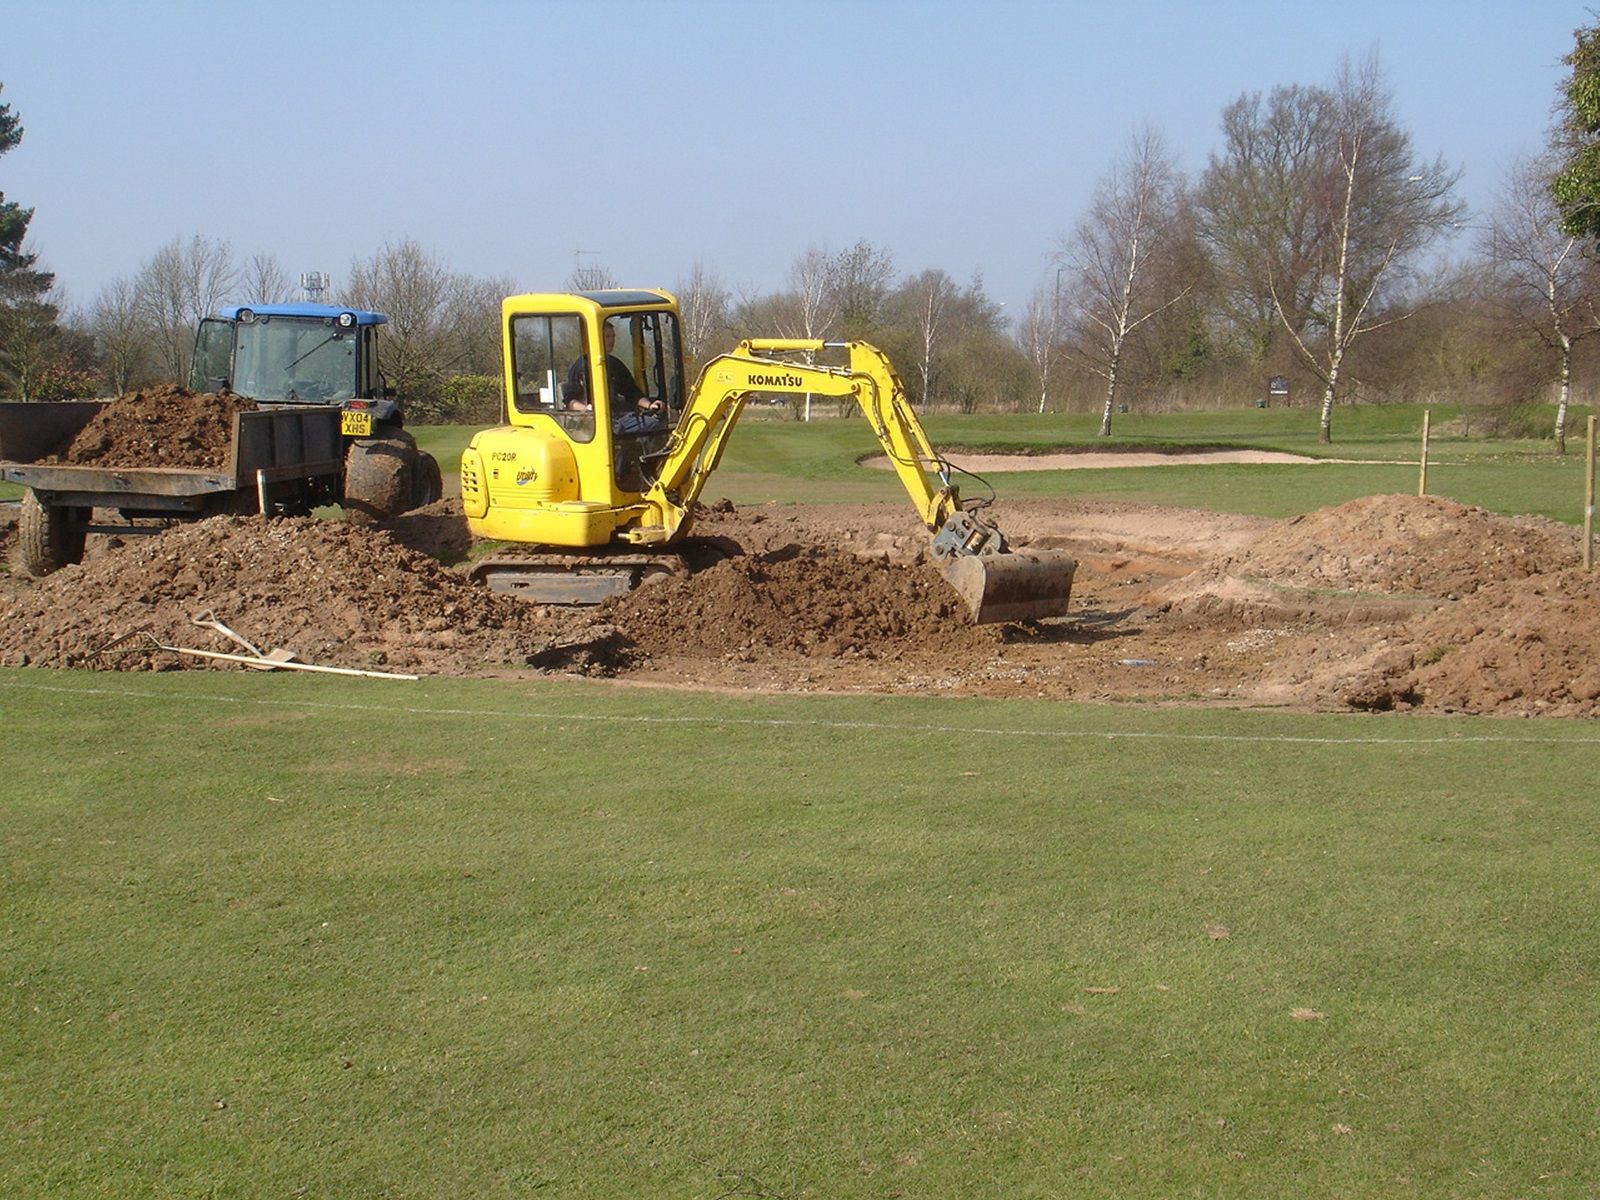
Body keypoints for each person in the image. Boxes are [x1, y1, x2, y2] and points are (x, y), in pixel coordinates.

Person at [566, 321, 666, 432]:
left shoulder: (615, 364)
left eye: (613, 336)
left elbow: (631, 391)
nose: (612, 340)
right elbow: (570, 401)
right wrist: (587, 409)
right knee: (616, 429)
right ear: (596, 338)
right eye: (607, 336)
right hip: (592, 422)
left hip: (617, 418)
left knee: (655, 423)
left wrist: (650, 405)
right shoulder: (581, 367)